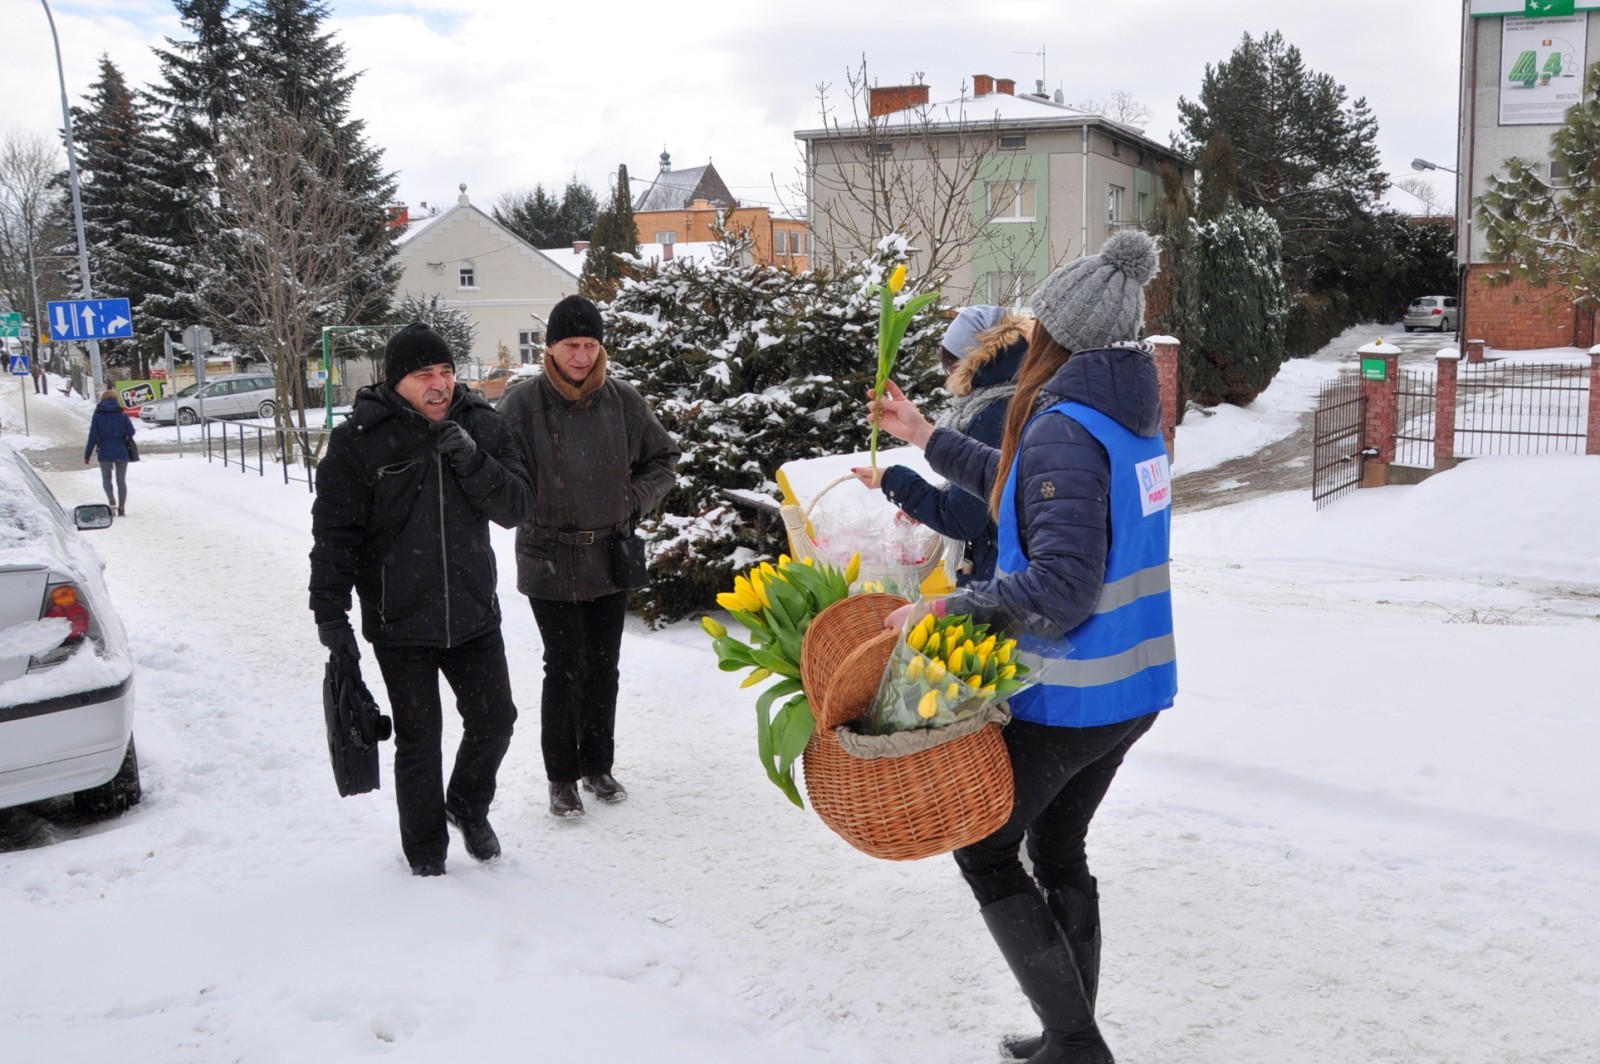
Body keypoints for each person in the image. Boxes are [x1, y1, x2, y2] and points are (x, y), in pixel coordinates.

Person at [866, 230, 1175, 1063]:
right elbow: (1018, 490)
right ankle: (1066, 1033)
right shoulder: (1122, 414)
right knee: (1058, 847)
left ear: (1057, 333)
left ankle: (1076, 1043)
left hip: (1076, 693)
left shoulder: (1065, 428)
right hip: (1136, 684)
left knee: (986, 846)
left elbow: (1064, 586)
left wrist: (951, 608)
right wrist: (924, 433)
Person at [308, 322, 533, 877]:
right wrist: (330, 617)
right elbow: (334, 535)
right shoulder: (361, 437)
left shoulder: (481, 423)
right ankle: (426, 857)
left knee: (495, 720)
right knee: (418, 741)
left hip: (474, 611)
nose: (439, 386)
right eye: (424, 375)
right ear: (396, 381)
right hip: (398, 617)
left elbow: (518, 507)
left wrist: (471, 458)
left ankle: (467, 804)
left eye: (446, 373)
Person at [498, 295, 680, 820]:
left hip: (610, 555)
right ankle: (561, 778)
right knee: (565, 666)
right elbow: (494, 469)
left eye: (591, 345)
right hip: (547, 557)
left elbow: (663, 458)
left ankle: (597, 765)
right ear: (550, 348)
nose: (581, 356)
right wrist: (523, 503)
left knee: (604, 666)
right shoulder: (521, 404)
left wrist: (633, 500)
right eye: (571, 345)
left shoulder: (623, 399)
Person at [851, 305, 1029, 585]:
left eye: (950, 365)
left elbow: (961, 518)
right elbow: (990, 483)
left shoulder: (992, 412)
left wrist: (893, 480)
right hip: (1019, 567)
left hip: (999, 575)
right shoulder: (1022, 395)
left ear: (971, 361)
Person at [84, 389, 136, 516]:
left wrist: (87, 454)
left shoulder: (97, 414)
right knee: (121, 480)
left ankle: (111, 501)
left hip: (104, 450)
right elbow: (131, 431)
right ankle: (122, 506)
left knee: (106, 478)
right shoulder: (121, 413)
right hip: (121, 450)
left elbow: (93, 436)